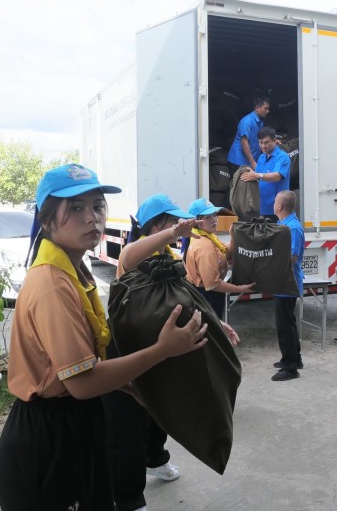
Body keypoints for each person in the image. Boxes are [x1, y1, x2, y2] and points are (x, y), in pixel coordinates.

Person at [0, 164, 207, 511]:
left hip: (75, 421)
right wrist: (163, 350)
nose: (92, 217)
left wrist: (126, 385)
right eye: (76, 208)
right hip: (48, 438)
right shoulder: (52, 285)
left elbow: (84, 362)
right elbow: (80, 382)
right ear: (47, 221)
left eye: (97, 206)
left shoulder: (74, 270)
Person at [104, 193, 241, 511]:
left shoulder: (168, 255)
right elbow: (129, 254)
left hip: (161, 348)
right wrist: (173, 233)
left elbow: (186, 296)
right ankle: (129, 500)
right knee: (127, 428)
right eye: (172, 222)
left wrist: (217, 322)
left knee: (157, 409)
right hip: (128, 349)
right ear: (156, 225)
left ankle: (155, 458)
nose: (179, 227)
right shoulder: (135, 253)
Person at [184, 197, 255, 317]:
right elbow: (213, 284)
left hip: (208, 294)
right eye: (208, 217)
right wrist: (240, 288)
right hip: (206, 297)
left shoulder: (208, 236)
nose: (214, 220)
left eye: (214, 215)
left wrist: (233, 236)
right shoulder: (204, 246)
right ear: (196, 221)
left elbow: (227, 253)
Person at [271, 190, 305, 381]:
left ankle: (290, 368)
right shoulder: (283, 225)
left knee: (284, 325)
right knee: (288, 323)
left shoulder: (292, 228)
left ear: (280, 206)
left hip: (287, 283)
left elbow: (291, 258)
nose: (273, 203)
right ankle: (294, 358)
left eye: (275, 201)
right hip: (282, 282)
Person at [239, 126, 291, 220]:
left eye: (266, 142)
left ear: (274, 140)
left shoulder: (282, 157)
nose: (263, 146)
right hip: (262, 208)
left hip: (278, 209)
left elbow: (277, 176)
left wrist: (257, 175)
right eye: (260, 142)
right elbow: (256, 177)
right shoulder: (261, 157)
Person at [227, 95, 271, 175]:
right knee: (238, 183)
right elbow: (244, 142)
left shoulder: (260, 122)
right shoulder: (247, 121)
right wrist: (253, 162)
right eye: (265, 108)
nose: (268, 111)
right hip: (238, 161)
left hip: (249, 162)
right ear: (257, 108)